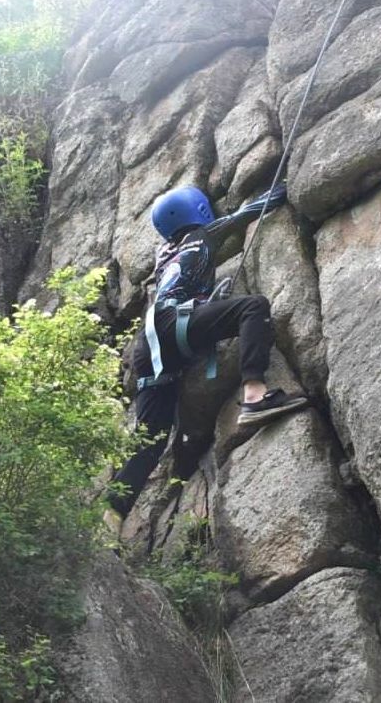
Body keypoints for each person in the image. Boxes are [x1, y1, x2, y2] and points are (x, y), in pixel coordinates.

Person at [108, 183, 308, 518]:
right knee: (253, 307)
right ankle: (255, 397)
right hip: (175, 324)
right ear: (198, 211)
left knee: (151, 440)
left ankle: (109, 520)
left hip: (150, 346)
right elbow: (249, 211)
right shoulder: (201, 234)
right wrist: (285, 184)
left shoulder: (164, 254)